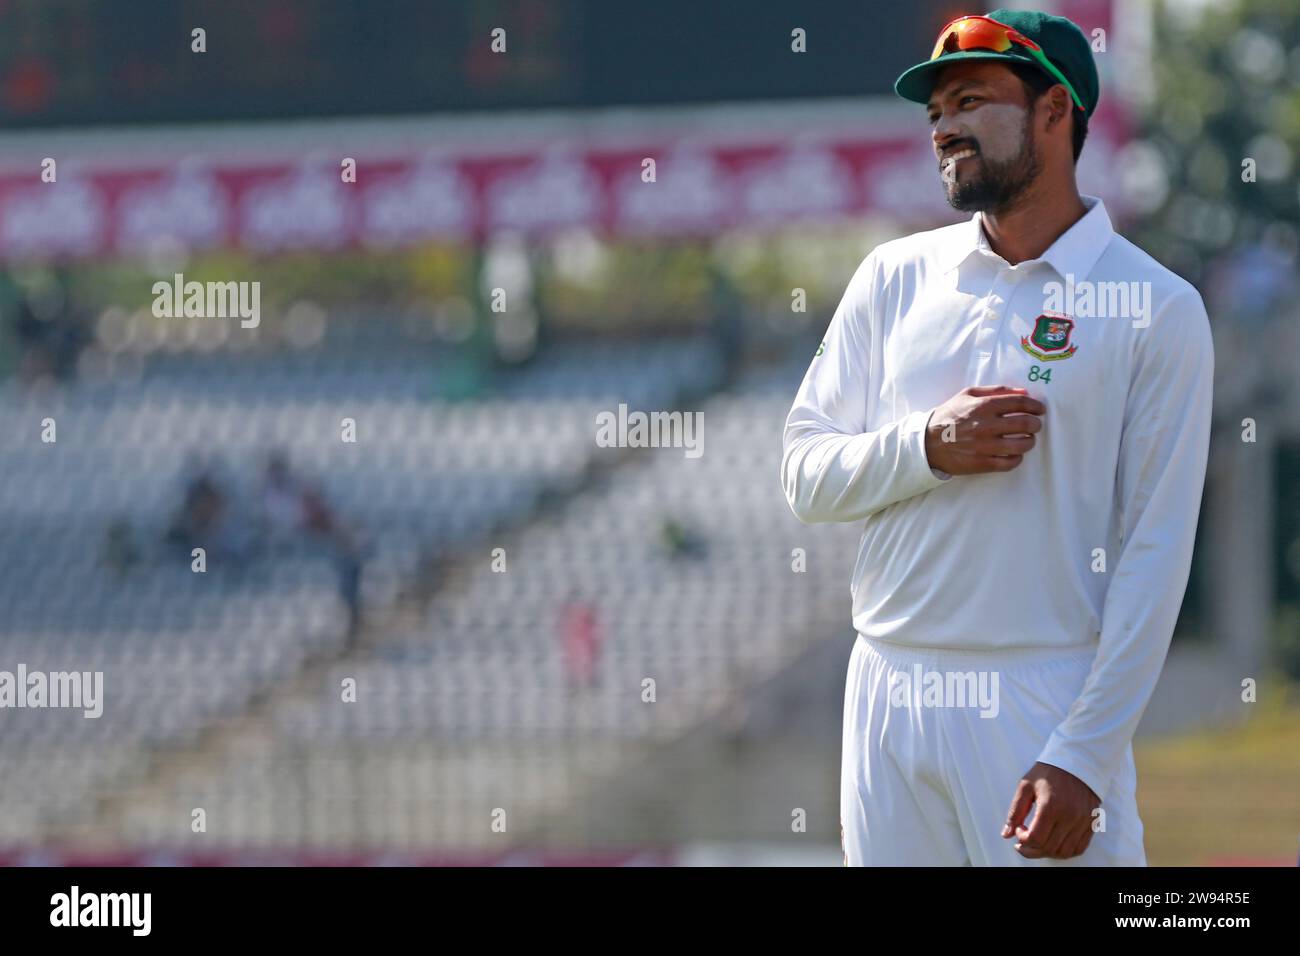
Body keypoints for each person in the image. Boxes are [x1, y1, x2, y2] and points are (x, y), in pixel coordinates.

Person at [781, 10, 1213, 866]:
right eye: (936, 110)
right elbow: (802, 473)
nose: (943, 126)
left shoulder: (1158, 307)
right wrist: (927, 448)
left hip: (1041, 696)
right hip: (886, 689)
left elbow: (1154, 552)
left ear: (1055, 110)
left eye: (971, 100)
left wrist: (1083, 753)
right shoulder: (892, 275)